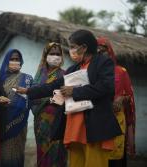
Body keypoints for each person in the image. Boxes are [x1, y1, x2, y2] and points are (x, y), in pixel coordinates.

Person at [16, 29, 122, 167]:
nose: (70, 50)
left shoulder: (103, 62)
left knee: (94, 163)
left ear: (84, 47)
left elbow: (106, 87)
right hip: (74, 126)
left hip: (94, 126)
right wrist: (28, 90)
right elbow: (52, 86)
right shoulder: (74, 68)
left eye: (72, 46)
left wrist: (74, 91)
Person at [97, 37, 136, 167]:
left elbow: (130, 98)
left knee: (116, 160)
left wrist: (121, 98)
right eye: (98, 51)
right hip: (98, 121)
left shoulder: (121, 72)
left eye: (104, 50)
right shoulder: (92, 72)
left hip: (117, 119)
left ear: (110, 51)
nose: (101, 54)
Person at [0, 49, 33, 167]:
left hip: (19, 124)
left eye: (17, 59)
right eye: (12, 59)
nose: (15, 61)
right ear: (6, 60)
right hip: (1, 125)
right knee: (1, 156)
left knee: (15, 155)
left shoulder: (27, 79)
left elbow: (31, 98)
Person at [31, 42, 67, 167]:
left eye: (58, 54)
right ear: (46, 55)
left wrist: (57, 98)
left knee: (58, 153)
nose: (55, 56)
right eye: (52, 53)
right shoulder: (39, 75)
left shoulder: (65, 75)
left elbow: (68, 96)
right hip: (41, 123)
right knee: (43, 153)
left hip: (59, 121)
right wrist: (50, 98)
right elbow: (32, 96)